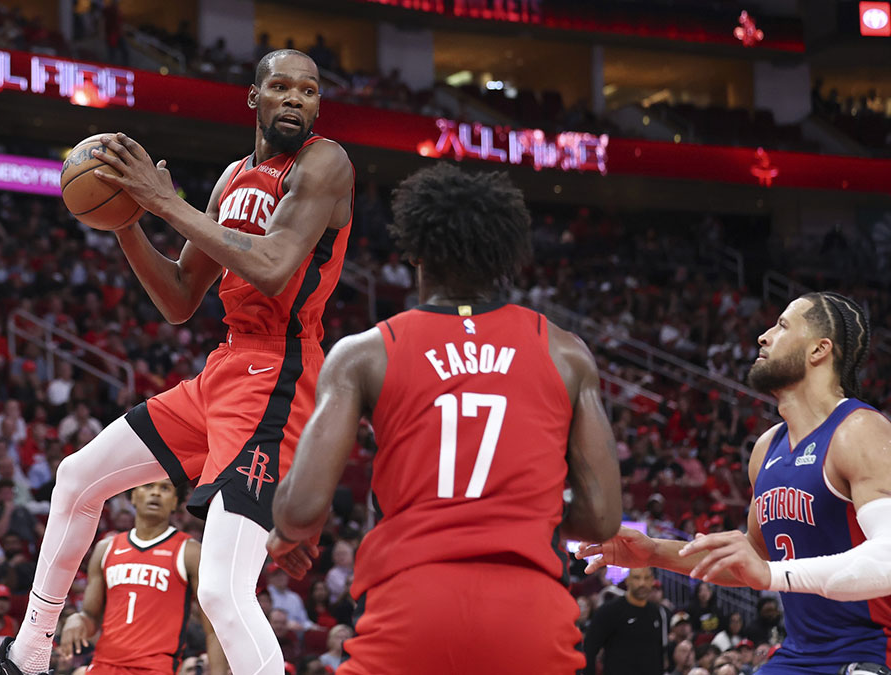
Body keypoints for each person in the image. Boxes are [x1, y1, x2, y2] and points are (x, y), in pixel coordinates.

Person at [0, 47, 353, 675]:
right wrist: (129, 219)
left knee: (221, 590)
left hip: (280, 375)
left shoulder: (325, 163)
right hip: (225, 368)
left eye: (310, 91)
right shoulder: (233, 178)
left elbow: (271, 267)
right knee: (76, 478)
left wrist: (164, 203)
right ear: (254, 98)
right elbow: (181, 297)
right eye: (283, 87)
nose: (297, 99)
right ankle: (25, 657)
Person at [265, 164, 622, 675]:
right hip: (529, 612)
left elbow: (301, 508)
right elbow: (602, 519)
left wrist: (285, 529)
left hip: (412, 601)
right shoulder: (567, 353)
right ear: (504, 257)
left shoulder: (365, 353)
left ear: (414, 251)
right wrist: (518, 507)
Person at [579, 292, 891, 673]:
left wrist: (772, 575)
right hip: (798, 654)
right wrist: (653, 552)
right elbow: (755, 560)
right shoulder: (766, 448)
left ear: (819, 350)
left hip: (872, 653)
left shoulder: (860, 430)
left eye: (782, 325)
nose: (763, 336)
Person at [58, 480, 226, 675]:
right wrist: (77, 620)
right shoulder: (107, 548)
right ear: (133, 497)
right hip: (104, 666)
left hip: (155, 668)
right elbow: (90, 616)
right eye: (148, 486)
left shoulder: (189, 551)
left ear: (175, 502)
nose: (155, 493)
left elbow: (213, 630)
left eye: (165, 488)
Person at [581, 567, 670, 675]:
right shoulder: (609, 611)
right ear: (627, 580)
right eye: (637, 578)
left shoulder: (658, 613)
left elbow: (660, 654)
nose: (642, 583)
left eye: (646, 578)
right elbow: (590, 649)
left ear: (652, 581)